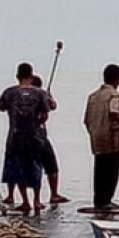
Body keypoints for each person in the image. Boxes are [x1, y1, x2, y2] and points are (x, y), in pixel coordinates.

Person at [0, 62, 54, 212]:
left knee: (18, 170)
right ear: (31, 75)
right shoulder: (40, 93)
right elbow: (45, 115)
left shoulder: (9, 93)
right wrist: (37, 122)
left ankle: (25, 202)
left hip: (15, 137)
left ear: (17, 76)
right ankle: (37, 200)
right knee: (35, 168)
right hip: (34, 137)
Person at [83, 64, 119, 210]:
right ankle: (106, 200)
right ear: (117, 79)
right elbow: (114, 112)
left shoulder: (93, 96)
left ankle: (99, 200)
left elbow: (86, 119)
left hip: (96, 137)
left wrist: (93, 131)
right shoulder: (113, 94)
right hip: (111, 137)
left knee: (99, 168)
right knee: (111, 169)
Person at [29, 74, 69, 204]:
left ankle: (32, 199)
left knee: (29, 167)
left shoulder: (23, 97)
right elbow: (52, 106)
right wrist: (49, 96)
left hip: (22, 135)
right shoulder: (41, 95)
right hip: (39, 134)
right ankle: (53, 194)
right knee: (51, 165)